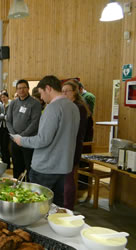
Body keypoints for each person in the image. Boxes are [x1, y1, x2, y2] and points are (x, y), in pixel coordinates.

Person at [12, 75, 80, 207]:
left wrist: (22, 141)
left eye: (42, 93)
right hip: (63, 166)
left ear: (48, 88)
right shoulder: (73, 107)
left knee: (37, 206)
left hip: (46, 167)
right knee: (56, 205)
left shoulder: (53, 108)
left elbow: (43, 140)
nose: (41, 97)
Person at [62, 80, 90, 210]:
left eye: (67, 90)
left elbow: (75, 130)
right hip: (66, 146)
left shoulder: (79, 107)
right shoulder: (69, 106)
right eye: (63, 91)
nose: (64, 93)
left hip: (72, 147)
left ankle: (68, 207)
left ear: (75, 92)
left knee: (69, 178)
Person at [6, 79, 42, 179]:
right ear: (16, 90)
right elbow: (8, 120)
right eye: (19, 88)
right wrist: (14, 135)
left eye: (24, 88)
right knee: (16, 166)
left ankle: (29, 188)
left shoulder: (35, 104)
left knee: (29, 166)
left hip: (28, 140)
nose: (21, 90)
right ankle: (16, 187)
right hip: (14, 140)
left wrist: (21, 136)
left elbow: (35, 123)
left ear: (28, 89)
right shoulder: (13, 103)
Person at [0, 92, 11, 168]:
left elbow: (9, 117)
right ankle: (3, 162)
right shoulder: (1, 106)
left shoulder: (10, 105)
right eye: (2, 97)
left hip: (8, 128)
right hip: (1, 127)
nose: (3, 98)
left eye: (4, 97)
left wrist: (2, 117)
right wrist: (2, 117)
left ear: (7, 97)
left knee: (6, 146)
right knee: (2, 145)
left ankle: (7, 164)